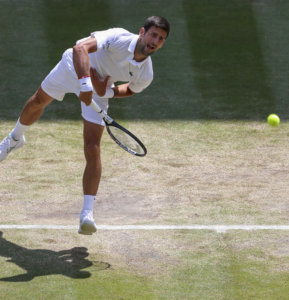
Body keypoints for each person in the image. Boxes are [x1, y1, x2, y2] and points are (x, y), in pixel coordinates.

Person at [0, 16, 170, 235]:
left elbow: (131, 89)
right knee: (39, 101)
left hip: (98, 86)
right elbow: (80, 48)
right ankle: (14, 139)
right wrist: (84, 83)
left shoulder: (146, 73)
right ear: (142, 32)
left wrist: (104, 91)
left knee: (93, 147)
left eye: (161, 39)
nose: (155, 40)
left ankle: (86, 214)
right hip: (74, 67)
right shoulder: (118, 37)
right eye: (153, 34)